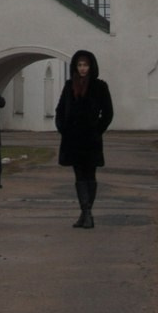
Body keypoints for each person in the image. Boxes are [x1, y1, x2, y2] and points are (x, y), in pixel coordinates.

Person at [54, 48, 115, 229]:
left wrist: (97, 130)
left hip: (90, 139)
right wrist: (62, 127)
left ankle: (87, 213)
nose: (82, 69)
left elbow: (108, 113)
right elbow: (60, 109)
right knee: (79, 174)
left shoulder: (99, 86)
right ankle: (85, 213)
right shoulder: (69, 86)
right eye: (80, 65)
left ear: (91, 67)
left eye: (85, 65)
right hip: (72, 138)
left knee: (90, 174)